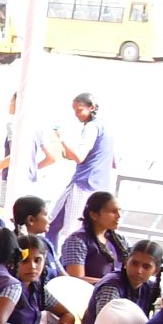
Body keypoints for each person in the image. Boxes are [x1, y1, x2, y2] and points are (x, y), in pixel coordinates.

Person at [52, 92, 117, 234]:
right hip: (101, 186)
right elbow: (113, 162)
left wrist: (61, 138)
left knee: (63, 228)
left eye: (80, 110)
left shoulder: (92, 127)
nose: (76, 114)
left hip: (84, 184)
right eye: (75, 111)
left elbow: (79, 157)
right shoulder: (107, 127)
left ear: (92, 107)